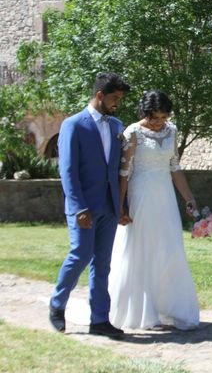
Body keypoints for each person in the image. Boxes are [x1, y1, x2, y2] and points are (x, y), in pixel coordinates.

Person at [108, 90, 200, 330]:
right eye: (155, 118)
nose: (160, 122)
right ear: (145, 114)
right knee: (142, 251)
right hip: (141, 196)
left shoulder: (173, 131)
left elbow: (175, 167)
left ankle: (171, 307)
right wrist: (120, 205)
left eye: (164, 117)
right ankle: (141, 312)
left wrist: (189, 199)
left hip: (165, 198)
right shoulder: (133, 133)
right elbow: (124, 173)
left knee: (170, 250)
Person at [49, 72, 131, 338]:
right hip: (84, 207)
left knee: (103, 264)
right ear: (99, 95)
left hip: (109, 207)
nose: (117, 103)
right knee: (81, 255)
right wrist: (78, 207)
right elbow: (68, 171)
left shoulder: (117, 126)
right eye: (114, 98)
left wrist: (122, 205)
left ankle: (99, 320)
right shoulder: (73, 124)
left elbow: (121, 170)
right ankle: (57, 304)